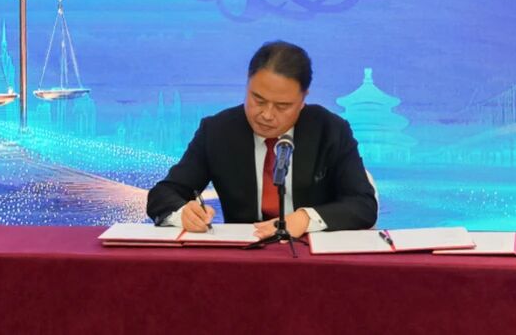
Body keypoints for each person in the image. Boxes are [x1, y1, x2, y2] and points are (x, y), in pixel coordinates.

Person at [146, 40, 377, 239]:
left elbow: (363, 204)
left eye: (282, 106)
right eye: (258, 99)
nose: (266, 114)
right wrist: (183, 213)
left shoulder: (330, 130)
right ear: (247, 85)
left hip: (309, 255)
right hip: (244, 256)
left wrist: (305, 218)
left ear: (303, 99)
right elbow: (162, 195)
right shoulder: (217, 131)